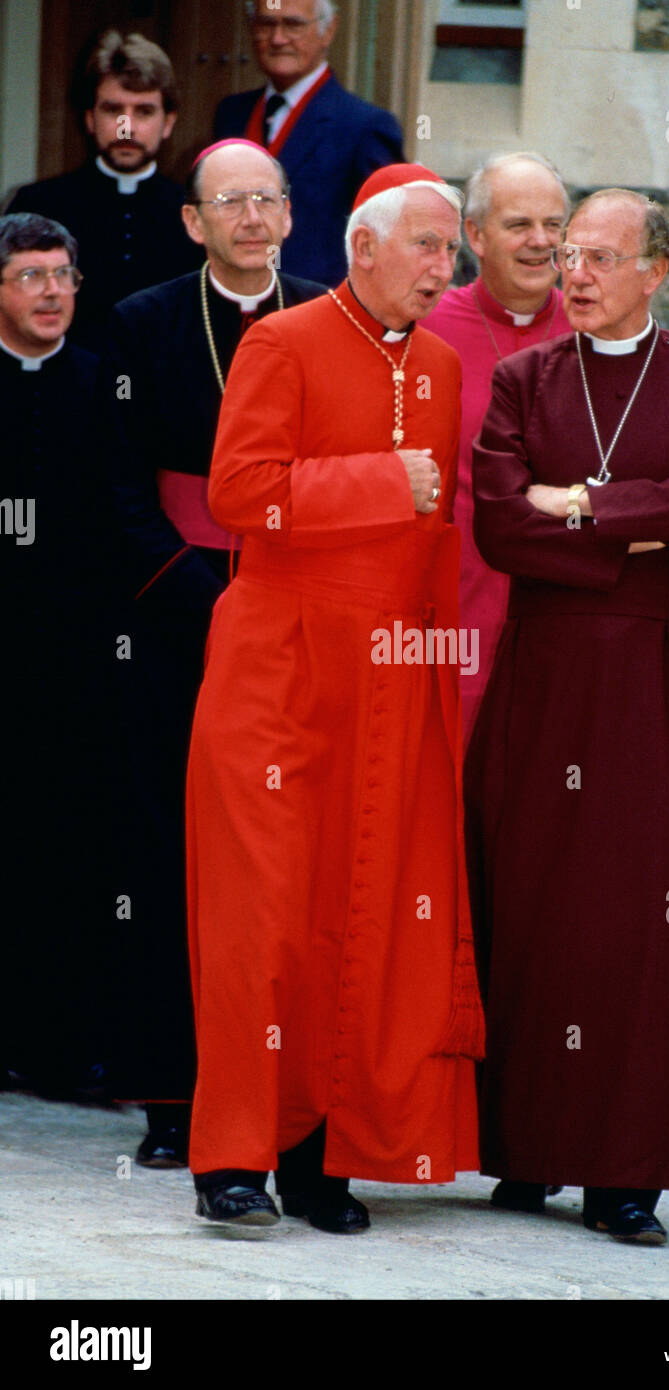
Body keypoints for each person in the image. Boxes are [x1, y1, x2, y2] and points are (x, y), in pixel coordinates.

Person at [184, 162, 483, 1233]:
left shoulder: (445, 365)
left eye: (452, 252)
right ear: (363, 247)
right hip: (280, 666)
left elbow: (438, 547)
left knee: (363, 914)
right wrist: (377, 480)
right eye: (429, 248)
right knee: (259, 920)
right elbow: (238, 493)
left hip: (391, 680)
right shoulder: (282, 339)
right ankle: (230, 1157)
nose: (445, 270)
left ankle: (323, 1157)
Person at [464, 189, 669, 1245]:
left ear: (657, 270)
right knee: (535, 910)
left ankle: (623, 1174)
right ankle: (527, 1151)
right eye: (567, 254)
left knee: (636, 927)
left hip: (650, 679)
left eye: (598, 256)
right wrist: (642, 518)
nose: (572, 272)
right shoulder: (521, 377)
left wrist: (581, 502)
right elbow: (500, 524)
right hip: (545, 682)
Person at [99, 138, 326, 1168]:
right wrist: (201, 592)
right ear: (192, 221)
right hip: (182, 616)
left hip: (302, 617)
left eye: (264, 199)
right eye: (226, 202)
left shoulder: (331, 317)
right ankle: (170, 1094)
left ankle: (289, 1091)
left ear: (288, 213)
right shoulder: (141, 322)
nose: (248, 217)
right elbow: (118, 488)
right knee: (169, 851)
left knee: (289, 863)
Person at [0, 213, 120, 1095]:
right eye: (30, 276)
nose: (51, 293)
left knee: (71, 849)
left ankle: (60, 1042)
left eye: (63, 275)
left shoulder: (101, 385)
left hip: (78, 660)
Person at [426, 152, 571, 740]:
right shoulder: (427, 326)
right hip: (455, 615)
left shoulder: (603, 330)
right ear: (476, 236)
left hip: (564, 620)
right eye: (519, 226)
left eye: (554, 225)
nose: (541, 242)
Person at [7, 30, 201, 351]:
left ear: (168, 122)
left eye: (144, 111)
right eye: (113, 110)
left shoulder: (194, 214)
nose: (127, 127)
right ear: (89, 119)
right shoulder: (38, 205)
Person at [213, 0, 404, 285]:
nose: (278, 39)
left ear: (329, 30)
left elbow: (388, 235)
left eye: (293, 25)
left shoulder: (364, 126)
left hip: (315, 306)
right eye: (266, 24)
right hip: (231, 299)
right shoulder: (231, 114)